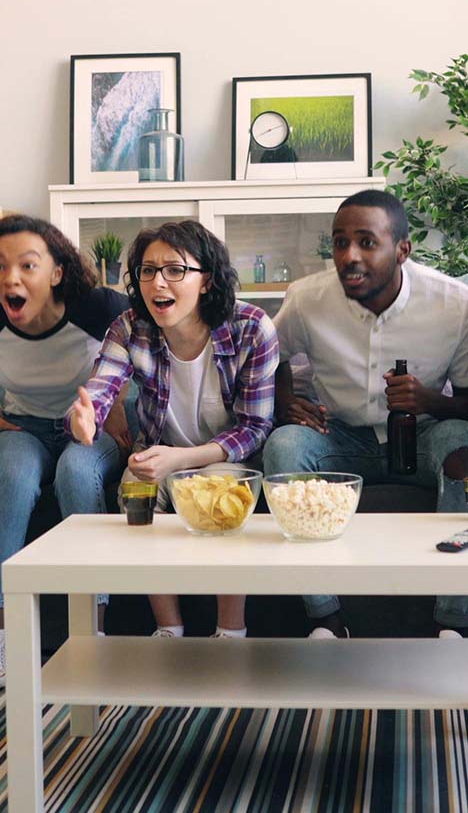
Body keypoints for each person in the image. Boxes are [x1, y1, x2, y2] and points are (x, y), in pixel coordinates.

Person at [262, 189, 468, 639]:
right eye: (339, 242)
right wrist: (282, 404)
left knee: (462, 446)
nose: (349, 255)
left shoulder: (454, 303)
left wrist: (430, 401)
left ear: (402, 249)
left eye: (366, 242)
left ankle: (454, 623)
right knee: (283, 447)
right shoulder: (307, 298)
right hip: (338, 437)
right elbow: (267, 353)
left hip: (424, 436)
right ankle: (326, 620)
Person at [69, 220, 278, 639]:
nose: (158, 282)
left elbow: (255, 428)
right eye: (147, 271)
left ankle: (230, 631)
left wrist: (184, 460)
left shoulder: (252, 327)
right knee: (135, 488)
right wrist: (87, 416)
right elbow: (102, 387)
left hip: (226, 456)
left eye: (175, 270)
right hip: (157, 451)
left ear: (207, 281)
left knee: (223, 494)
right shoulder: (130, 327)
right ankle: (168, 627)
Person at [0, 214, 130, 690]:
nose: (9, 279)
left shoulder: (97, 306)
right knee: (13, 479)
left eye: (26, 266)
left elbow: (126, 348)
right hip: (25, 424)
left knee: (77, 474)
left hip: (88, 423)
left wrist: (115, 411)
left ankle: (92, 633)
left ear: (56, 272)